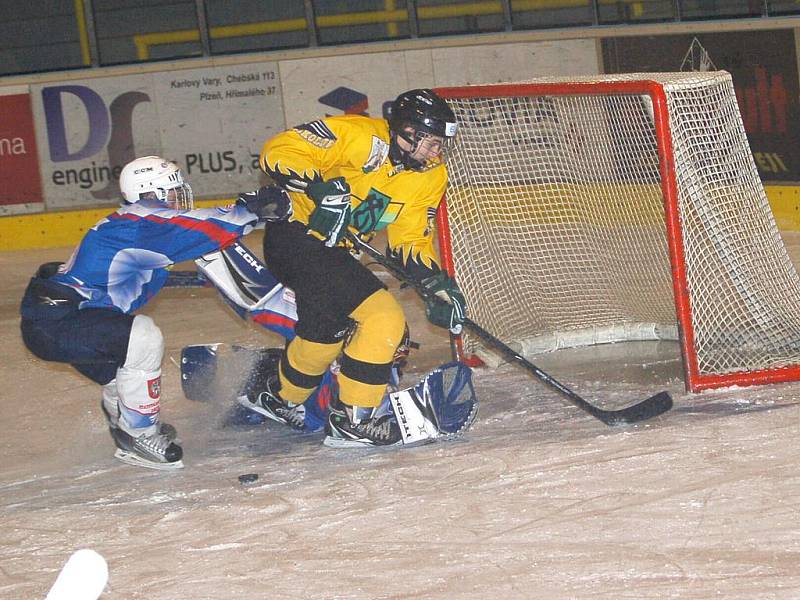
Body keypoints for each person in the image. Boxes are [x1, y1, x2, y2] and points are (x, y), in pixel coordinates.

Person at [19, 156, 290, 470]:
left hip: (63, 321)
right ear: (150, 192)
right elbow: (207, 227)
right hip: (60, 321)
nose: (180, 198)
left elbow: (138, 269)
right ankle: (139, 436)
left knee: (120, 375)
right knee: (142, 336)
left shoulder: (136, 225)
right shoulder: (139, 221)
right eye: (173, 191)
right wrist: (250, 209)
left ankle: (124, 424)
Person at [237, 89, 468, 447]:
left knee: (326, 331)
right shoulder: (361, 136)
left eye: (440, 144)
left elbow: (411, 240)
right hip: (296, 237)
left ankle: (280, 398)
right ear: (408, 132)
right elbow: (278, 151)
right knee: (382, 318)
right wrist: (318, 188)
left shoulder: (430, 177)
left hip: (335, 253)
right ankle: (356, 418)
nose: (437, 152)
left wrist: (435, 284)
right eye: (432, 142)